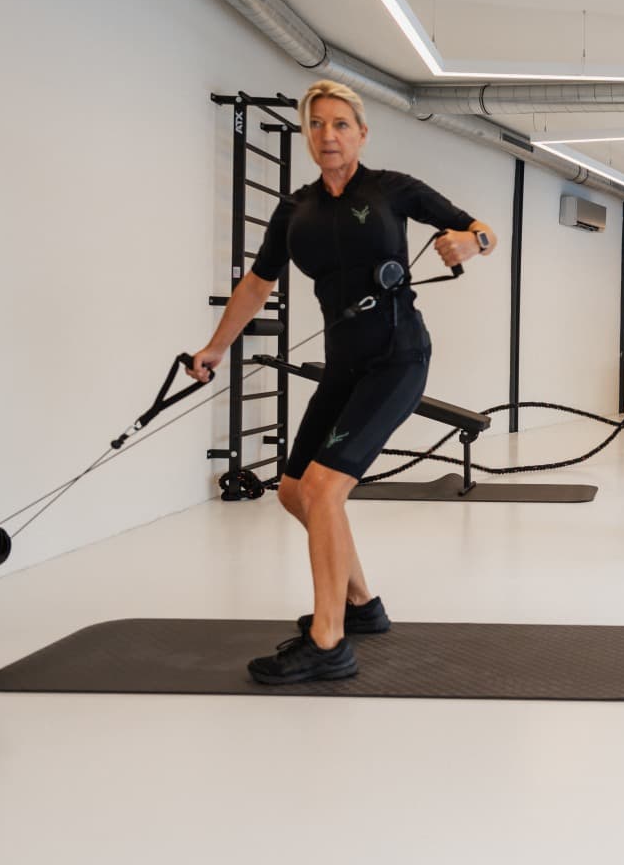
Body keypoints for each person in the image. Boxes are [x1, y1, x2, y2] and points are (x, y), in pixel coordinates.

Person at [189, 80, 497, 684]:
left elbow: (481, 229)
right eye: (317, 125)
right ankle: (360, 606)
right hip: (344, 364)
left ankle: (328, 643)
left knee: (326, 488)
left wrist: (470, 241)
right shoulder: (294, 210)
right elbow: (257, 285)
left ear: (361, 132)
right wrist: (214, 348)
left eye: (340, 124)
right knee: (294, 490)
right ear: (307, 135)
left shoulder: (390, 189)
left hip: (398, 356)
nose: (328, 135)